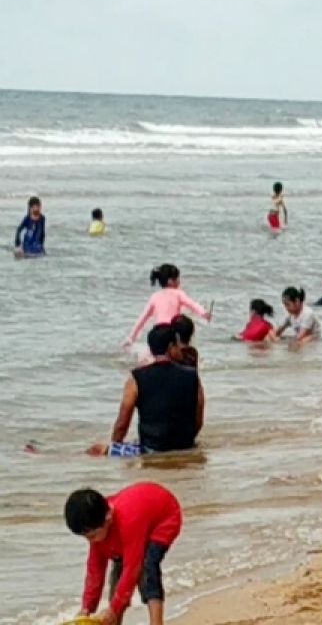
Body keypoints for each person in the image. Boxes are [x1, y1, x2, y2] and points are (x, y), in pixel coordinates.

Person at [65, 482, 183, 625]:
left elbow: (132, 568)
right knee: (118, 571)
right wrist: (86, 608)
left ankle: (156, 622)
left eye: (92, 536)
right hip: (139, 520)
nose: (91, 541)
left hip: (164, 517)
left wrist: (113, 608)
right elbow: (95, 572)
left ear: (108, 519)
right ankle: (115, 620)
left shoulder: (127, 521)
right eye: (86, 537)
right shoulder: (97, 527)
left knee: (147, 566)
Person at [96, 323, 205, 457]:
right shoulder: (193, 376)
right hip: (185, 446)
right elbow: (198, 420)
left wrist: (114, 447)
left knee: (96, 450)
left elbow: (122, 424)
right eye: (177, 345)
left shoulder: (136, 378)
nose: (179, 349)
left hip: (150, 449)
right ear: (170, 347)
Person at [125, 265, 211, 348]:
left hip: (156, 333)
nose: (179, 281)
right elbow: (192, 304)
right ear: (170, 281)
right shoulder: (178, 293)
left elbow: (142, 318)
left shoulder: (155, 296)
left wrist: (131, 337)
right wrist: (204, 313)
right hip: (171, 332)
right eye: (177, 278)